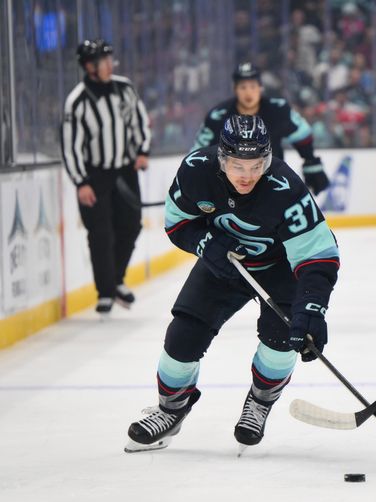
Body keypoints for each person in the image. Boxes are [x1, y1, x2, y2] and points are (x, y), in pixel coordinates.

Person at [125, 115, 339, 454]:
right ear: (222, 159)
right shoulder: (196, 170)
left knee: (281, 340)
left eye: (256, 165)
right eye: (238, 165)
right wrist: (206, 244)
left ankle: (260, 401)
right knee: (182, 336)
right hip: (224, 264)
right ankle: (171, 409)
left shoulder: (286, 188)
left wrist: (312, 307)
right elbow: (177, 224)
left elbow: (319, 256)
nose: (247, 176)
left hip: (279, 268)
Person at [61, 39, 151, 316]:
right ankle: (106, 292)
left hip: (125, 170)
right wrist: (81, 182)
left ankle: (116, 280)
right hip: (95, 175)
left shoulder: (124, 88)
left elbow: (139, 121)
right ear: (89, 66)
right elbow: (71, 145)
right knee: (100, 234)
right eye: (104, 60)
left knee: (132, 225)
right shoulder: (77, 101)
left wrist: (143, 150)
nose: (111, 65)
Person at [191, 62, 330, 195]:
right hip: (230, 187)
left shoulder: (278, 109)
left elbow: (302, 134)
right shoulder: (217, 116)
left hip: (271, 183)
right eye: (243, 87)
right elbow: (197, 153)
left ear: (260, 87)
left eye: (252, 86)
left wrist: (310, 160)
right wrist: (191, 182)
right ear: (235, 89)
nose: (248, 92)